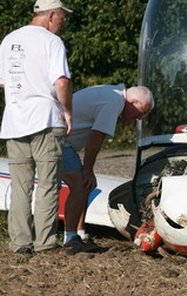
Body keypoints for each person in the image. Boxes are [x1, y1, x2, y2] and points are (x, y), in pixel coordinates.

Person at [0, 0, 73, 256]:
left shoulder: (9, 40)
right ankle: (45, 243)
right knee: (48, 184)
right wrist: (67, 111)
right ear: (52, 15)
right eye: (62, 17)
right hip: (45, 120)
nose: (62, 23)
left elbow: (3, 81)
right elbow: (61, 82)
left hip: (14, 122)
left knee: (20, 186)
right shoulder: (52, 42)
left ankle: (20, 243)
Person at [61, 84, 154, 255]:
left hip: (61, 140)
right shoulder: (114, 102)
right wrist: (88, 169)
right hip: (59, 141)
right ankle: (71, 238)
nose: (140, 117)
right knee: (82, 183)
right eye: (142, 111)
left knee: (85, 185)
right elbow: (96, 136)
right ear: (133, 101)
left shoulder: (110, 94)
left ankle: (80, 234)